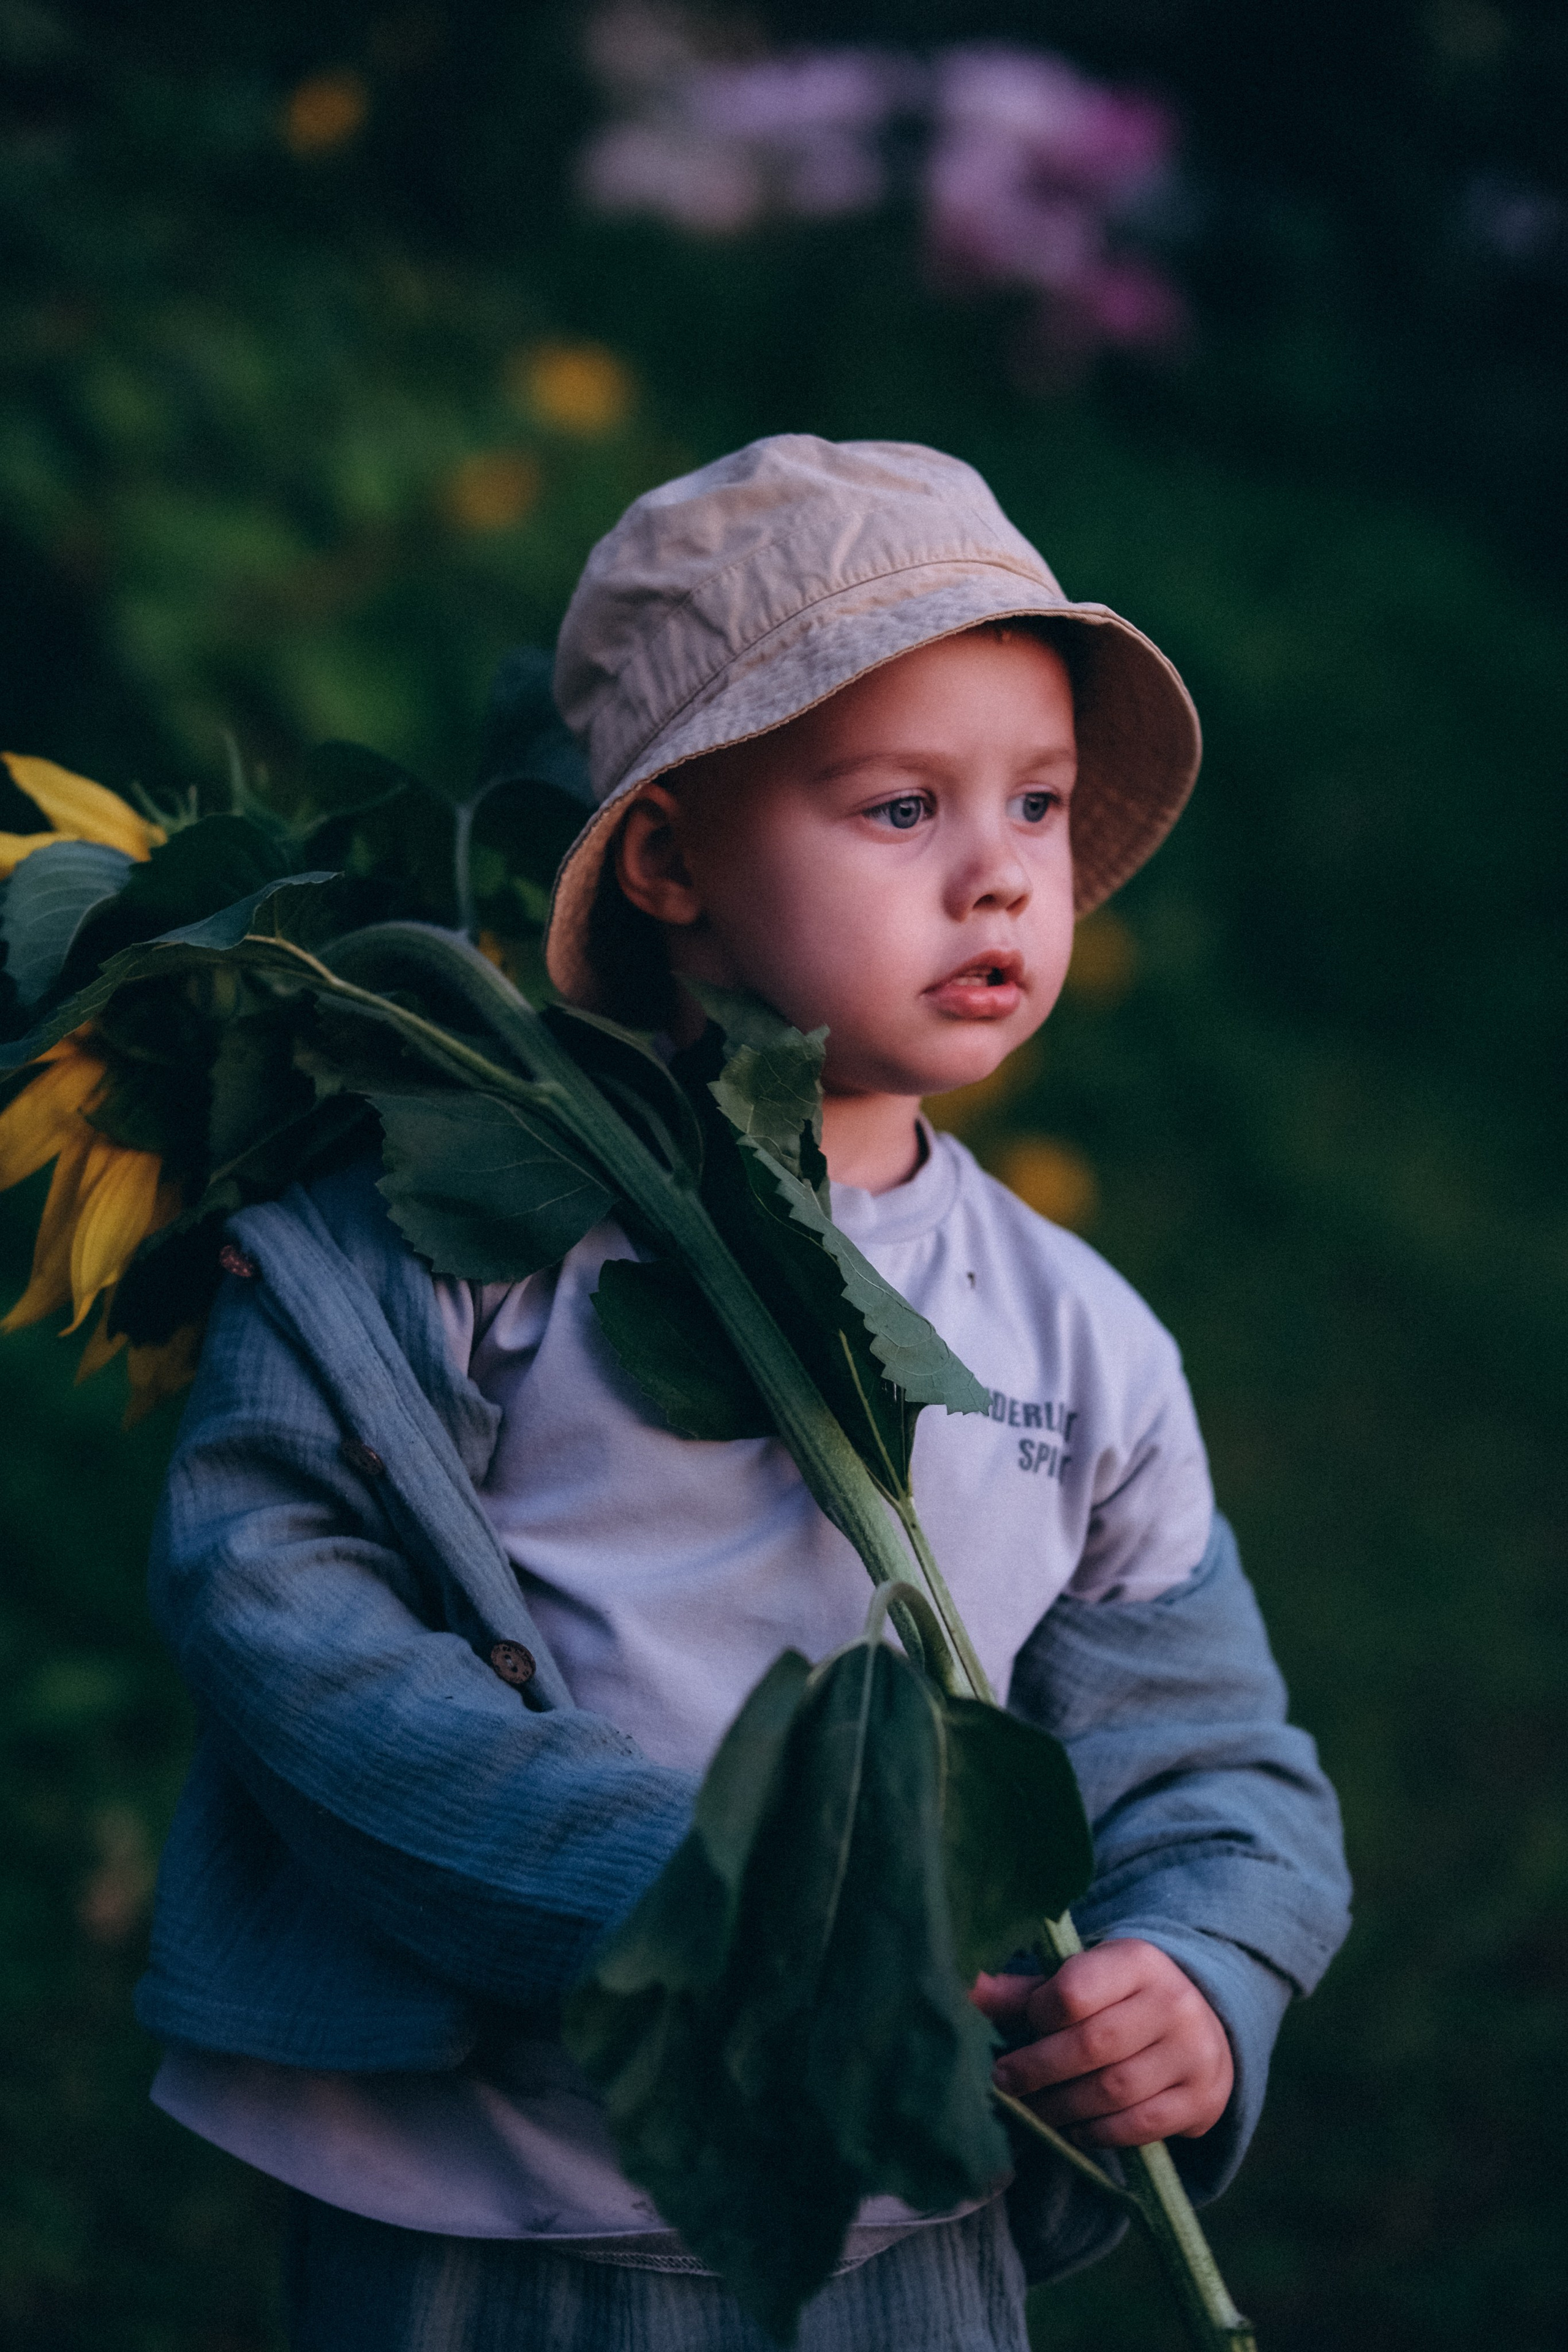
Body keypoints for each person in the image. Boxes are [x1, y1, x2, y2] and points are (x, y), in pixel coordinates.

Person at [138, 437, 1351, 2352]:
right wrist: (672, 1893)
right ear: (673, 860)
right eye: (899, 808)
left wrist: (1200, 1969)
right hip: (487, 2201)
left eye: (1036, 804)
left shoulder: (1078, 1336)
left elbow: (1208, 1754)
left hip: (896, 2215)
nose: (997, 876)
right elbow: (275, 1600)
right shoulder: (459, 1231)